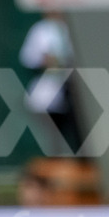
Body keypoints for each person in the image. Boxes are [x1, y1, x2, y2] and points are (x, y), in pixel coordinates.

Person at [19, 9, 82, 155]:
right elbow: (28, 58)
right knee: (53, 133)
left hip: (75, 89)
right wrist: (45, 60)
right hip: (51, 89)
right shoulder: (40, 30)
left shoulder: (73, 28)